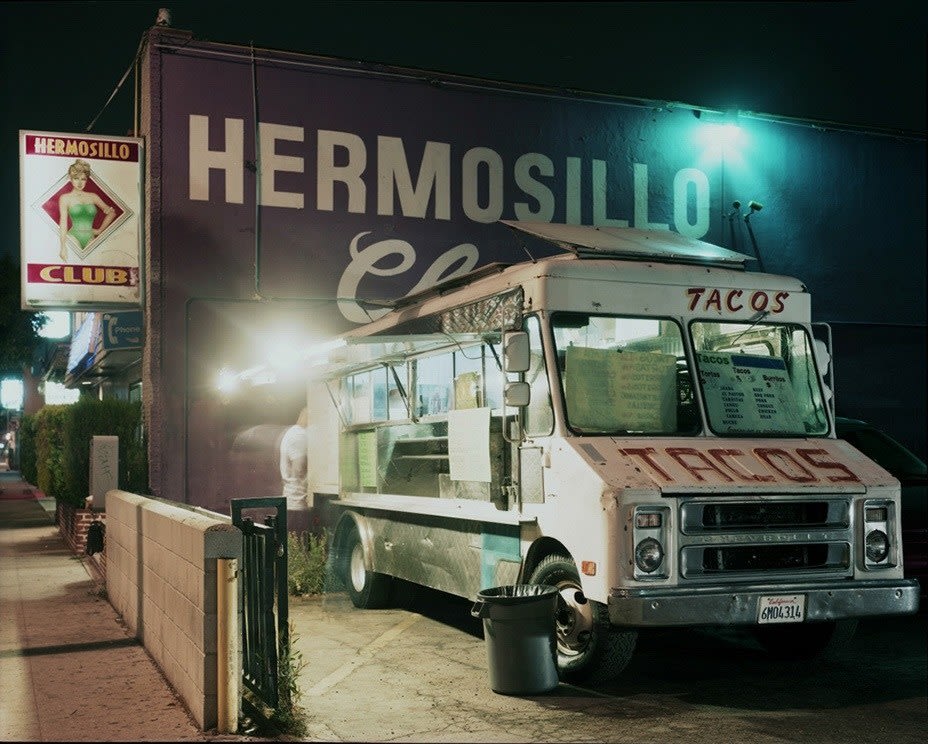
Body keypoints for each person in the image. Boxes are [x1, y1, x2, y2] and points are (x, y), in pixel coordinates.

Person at [58, 159, 116, 261]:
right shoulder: (65, 198)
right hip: (73, 236)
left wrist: (100, 230)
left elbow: (112, 213)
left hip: (90, 237)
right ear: (70, 178)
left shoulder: (93, 197)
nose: (80, 183)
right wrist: (63, 246)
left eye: (83, 179)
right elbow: (63, 223)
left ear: (87, 180)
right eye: (76, 178)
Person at [279, 407, 309, 527]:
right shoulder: (299, 435)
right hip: (297, 503)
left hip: (294, 503)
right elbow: (299, 469)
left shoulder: (294, 433)